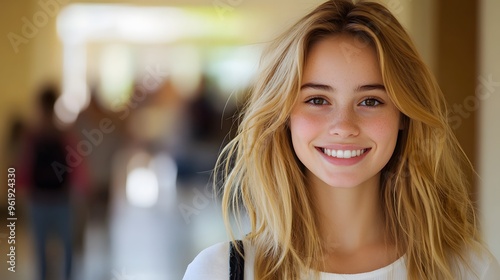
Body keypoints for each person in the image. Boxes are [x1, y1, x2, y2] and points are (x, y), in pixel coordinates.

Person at [183, 1, 500, 279]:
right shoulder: (218, 271)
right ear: (283, 116)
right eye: (318, 100)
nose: (343, 126)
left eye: (371, 101)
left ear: (403, 115)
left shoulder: (468, 269)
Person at [17, 84, 88, 280]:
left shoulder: (59, 136)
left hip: (56, 201)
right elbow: (25, 166)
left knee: (57, 248)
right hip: (45, 200)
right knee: (55, 248)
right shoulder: (37, 136)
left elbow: (75, 168)